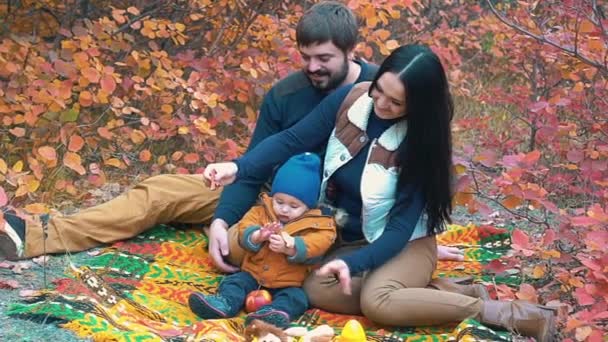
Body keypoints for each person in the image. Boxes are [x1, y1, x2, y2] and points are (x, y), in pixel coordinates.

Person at [0, 1, 463, 268]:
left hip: (325, 217)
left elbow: (412, 174)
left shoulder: (387, 94)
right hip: (266, 192)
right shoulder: (286, 94)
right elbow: (259, 159)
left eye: (323, 58)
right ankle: (34, 234)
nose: (312, 68)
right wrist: (222, 218)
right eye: (305, 57)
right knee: (160, 190)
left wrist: (410, 242)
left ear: (351, 52)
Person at [202, 45, 557, 342]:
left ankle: (512, 314)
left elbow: (399, 232)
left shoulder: (422, 145)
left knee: (378, 303)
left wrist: (352, 264)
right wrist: (239, 167)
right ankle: (440, 293)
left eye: (395, 102)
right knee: (314, 288)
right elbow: (293, 139)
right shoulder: (352, 99)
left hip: (403, 243)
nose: (381, 104)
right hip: (349, 235)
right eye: (380, 90)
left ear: (417, 106)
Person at [189, 153, 336, 328]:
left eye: (294, 206)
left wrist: (292, 247)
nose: (284, 209)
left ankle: (274, 314)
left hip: (289, 282)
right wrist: (257, 236)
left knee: (297, 299)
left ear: (308, 206)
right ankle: (224, 303)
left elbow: (320, 242)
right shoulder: (261, 211)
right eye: (279, 201)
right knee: (235, 282)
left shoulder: (318, 223)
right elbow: (245, 225)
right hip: (253, 273)